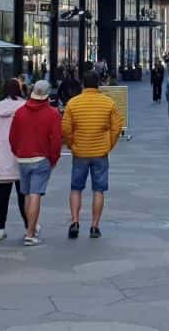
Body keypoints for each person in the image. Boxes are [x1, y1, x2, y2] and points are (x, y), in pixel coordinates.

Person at [61, 70, 124, 240]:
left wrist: (71, 143)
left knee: (76, 188)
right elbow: (117, 127)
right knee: (99, 189)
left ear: (83, 83)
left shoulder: (73, 103)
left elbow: (66, 128)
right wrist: (108, 144)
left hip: (80, 151)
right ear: (98, 83)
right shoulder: (108, 103)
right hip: (100, 152)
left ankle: (74, 222)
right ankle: (95, 226)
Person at [8, 80, 62, 246]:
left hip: (23, 157)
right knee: (35, 194)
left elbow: (12, 137)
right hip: (41, 158)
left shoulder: (20, 112)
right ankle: (30, 234)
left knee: (26, 193)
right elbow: (56, 140)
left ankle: (29, 228)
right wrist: (53, 159)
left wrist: (18, 152)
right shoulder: (52, 113)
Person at [0, 79, 28, 241]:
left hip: (0, 155)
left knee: (2, 194)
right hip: (20, 154)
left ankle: (0, 228)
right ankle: (28, 227)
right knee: (23, 194)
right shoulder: (25, 108)